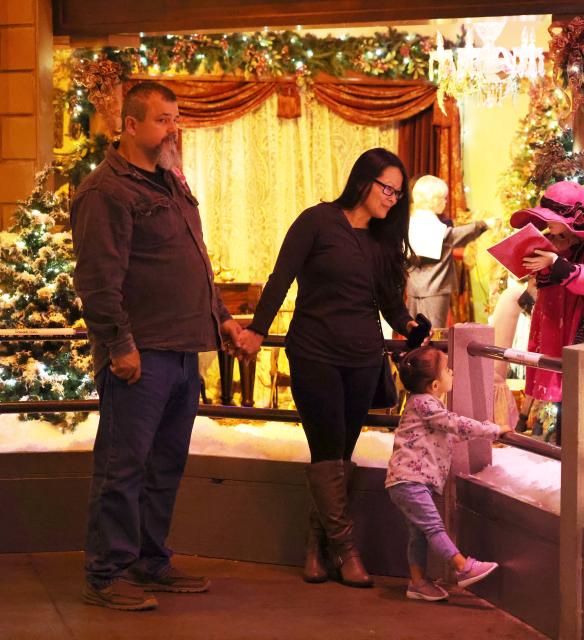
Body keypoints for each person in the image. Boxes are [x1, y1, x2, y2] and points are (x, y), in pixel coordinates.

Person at [71, 81, 244, 610]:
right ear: (131, 124)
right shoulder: (107, 192)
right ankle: (106, 574)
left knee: (163, 466)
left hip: (184, 350)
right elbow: (99, 282)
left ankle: (148, 561)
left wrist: (223, 319)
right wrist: (120, 345)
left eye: (176, 117)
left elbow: (195, 260)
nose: (175, 127)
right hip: (139, 358)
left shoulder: (171, 183)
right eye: (164, 119)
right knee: (123, 468)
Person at [234, 148, 424, 588]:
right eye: (387, 189)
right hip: (315, 353)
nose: (392, 199)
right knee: (326, 448)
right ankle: (346, 550)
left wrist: (411, 326)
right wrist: (258, 331)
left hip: (362, 358)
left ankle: (316, 548)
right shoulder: (318, 221)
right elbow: (281, 277)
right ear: (363, 181)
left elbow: (389, 302)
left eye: (398, 194)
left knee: (341, 454)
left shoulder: (380, 240)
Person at [386, 346, 509, 601]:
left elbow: (450, 431)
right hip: (410, 481)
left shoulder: (422, 404)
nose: (451, 372)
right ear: (434, 385)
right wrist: (493, 430)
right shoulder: (426, 405)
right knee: (433, 527)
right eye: (446, 369)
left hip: (406, 481)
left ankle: (418, 583)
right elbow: (456, 424)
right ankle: (463, 568)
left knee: (419, 533)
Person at [508, 180, 584, 445]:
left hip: (579, 324)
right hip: (553, 323)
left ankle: (579, 442)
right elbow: (543, 280)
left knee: (578, 384)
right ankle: (550, 437)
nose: (548, 227)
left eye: (552, 221)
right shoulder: (551, 242)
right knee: (553, 377)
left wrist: (555, 262)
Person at [406, 175, 494, 328]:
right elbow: (453, 236)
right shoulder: (432, 225)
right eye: (443, 198)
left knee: (414, 333)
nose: (446, 202)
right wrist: (483, 224)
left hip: (413, 288)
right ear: (433, 199)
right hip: (435, 289)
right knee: (433, 333)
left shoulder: (411, 222)